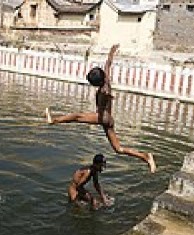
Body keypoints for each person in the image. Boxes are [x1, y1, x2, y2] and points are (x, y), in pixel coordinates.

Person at [45, 44, 156, 173]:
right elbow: (108, 64)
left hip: (102, 117)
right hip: (107, 119)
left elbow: (105, 92)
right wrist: (111, 52)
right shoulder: (106, 80)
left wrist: (107, 95)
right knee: (118, 149)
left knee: (76, 116)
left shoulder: (104, 89)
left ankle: (53, 120)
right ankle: (146, 157)